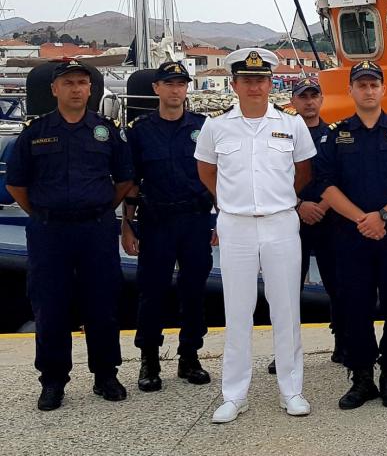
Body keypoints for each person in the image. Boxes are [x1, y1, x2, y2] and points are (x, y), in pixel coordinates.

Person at [194, 48, 316, 423]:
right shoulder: (216, 127)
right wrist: (230, 202)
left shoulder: (291, 124)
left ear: (269, 84)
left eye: (260, 80)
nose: (254, 86)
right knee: (238, 310)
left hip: (280, 222)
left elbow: (303, 173)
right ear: (234, 84)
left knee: (286, 309)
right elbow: (206, 172)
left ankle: (291, 390)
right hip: (237, 225)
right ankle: (234, 394)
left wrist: (280, 200)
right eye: (247, 80)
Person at [6, 59, 134, 411]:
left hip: (95, 229)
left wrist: (100, 208)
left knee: (103, 304)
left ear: (91, 89)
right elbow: (16, 184)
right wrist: (45, 212)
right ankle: (52, 381)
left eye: (82, 82)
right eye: (69, 83)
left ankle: (106, 375)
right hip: (50, 231)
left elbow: (124, 180)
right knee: (50, 307)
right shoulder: (35, 133)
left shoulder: (106, 131)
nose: (76, 89)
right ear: (54, 89)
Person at [315, 60, 387, 410]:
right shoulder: (336, 134)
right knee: (354, 306)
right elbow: (325, 184)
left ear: (383, 89)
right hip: (351, 234)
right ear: (351, 90)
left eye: (373, 84)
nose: (368, 90)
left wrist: (383, 216)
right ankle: (361, 377)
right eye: (361, 85)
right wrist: (363, 220)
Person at [121, 61, 213, 393]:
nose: (176, 90)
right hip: (156, 220)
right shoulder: (139, 130)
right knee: (152, 290)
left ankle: (190, 356)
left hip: (195, 220)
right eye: (169, 84)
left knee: (194, 290)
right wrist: (127, 226)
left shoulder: (204, 127)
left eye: (181, 84)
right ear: (156, 88)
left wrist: (219, 221)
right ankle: (149, 359)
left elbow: (217, 178)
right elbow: (131, 182)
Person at [287, 77, 342, 369]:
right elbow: (275, 178)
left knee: (337, 283)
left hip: (328, 218)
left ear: (321, 100)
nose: (309, 101)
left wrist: (322, 205)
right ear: (293, 101)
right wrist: (299, 206)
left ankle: (342, 341)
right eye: (303, 96)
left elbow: (340, 178)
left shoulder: (333, 136)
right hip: (291, 220)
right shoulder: (281, 135)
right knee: (287, 287)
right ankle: (285, 350)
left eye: (314, 95)